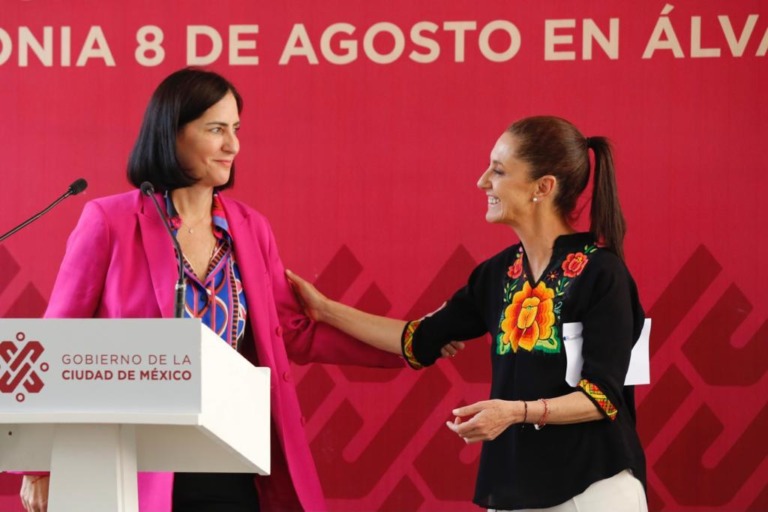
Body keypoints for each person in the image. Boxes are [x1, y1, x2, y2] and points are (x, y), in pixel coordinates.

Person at [19, 67, 419, 512]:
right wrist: (40, 465)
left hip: (230, 456)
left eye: (236, 129)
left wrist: (416, 343)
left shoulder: (250, 228)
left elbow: (292, 331)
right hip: (132, 462)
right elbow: (55, 344)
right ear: (171, 134)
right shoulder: (108, 222)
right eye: (216, 130)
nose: (233, 145)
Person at [287, 116, 648, 511]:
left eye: (498, 170)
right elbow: (418, 339)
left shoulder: (602, 273)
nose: (482, 182)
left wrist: (515, 412)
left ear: (543, 187)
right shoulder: (495, 275)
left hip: (593, 486)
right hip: (516, 490)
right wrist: (324, 309)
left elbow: (603, 398)